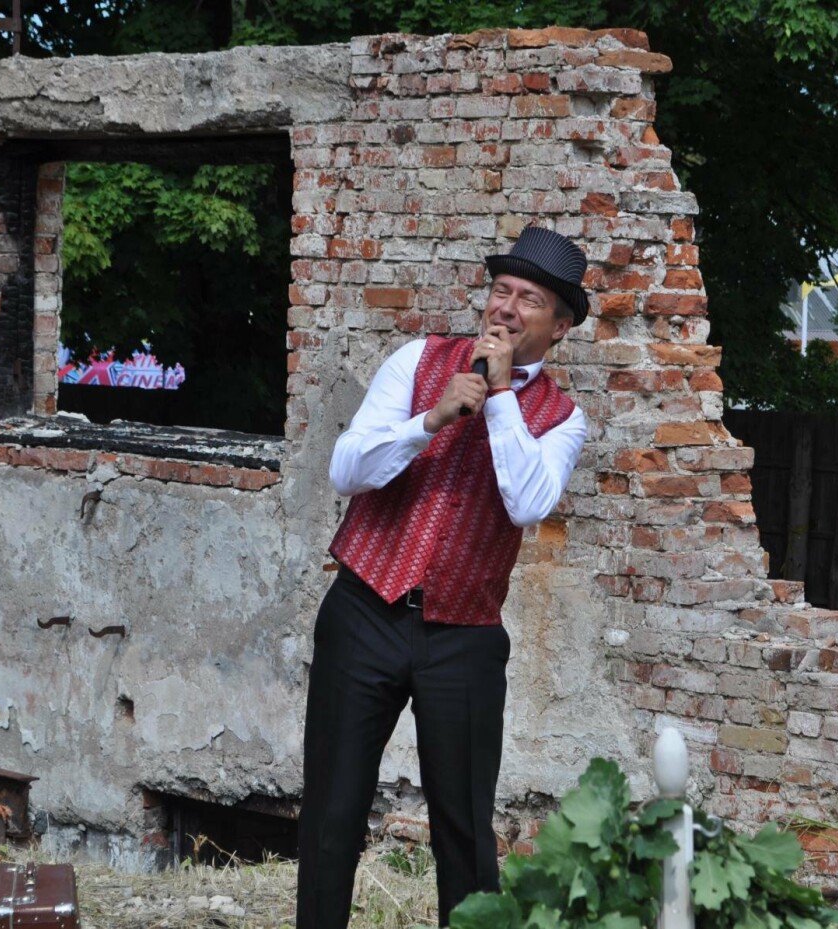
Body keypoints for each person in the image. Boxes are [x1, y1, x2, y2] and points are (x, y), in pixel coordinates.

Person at [296, 225, 590, 928]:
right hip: (365, 607)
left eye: (530, 299)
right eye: (502, 289)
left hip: (465, 637)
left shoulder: (563, 420)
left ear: (561, 324)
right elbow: (346, 468)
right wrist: (430, 420)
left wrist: (500, 400)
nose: (508, 308)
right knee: (332, 812)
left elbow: (525, 502)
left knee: (462, 829)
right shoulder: (418, 361)